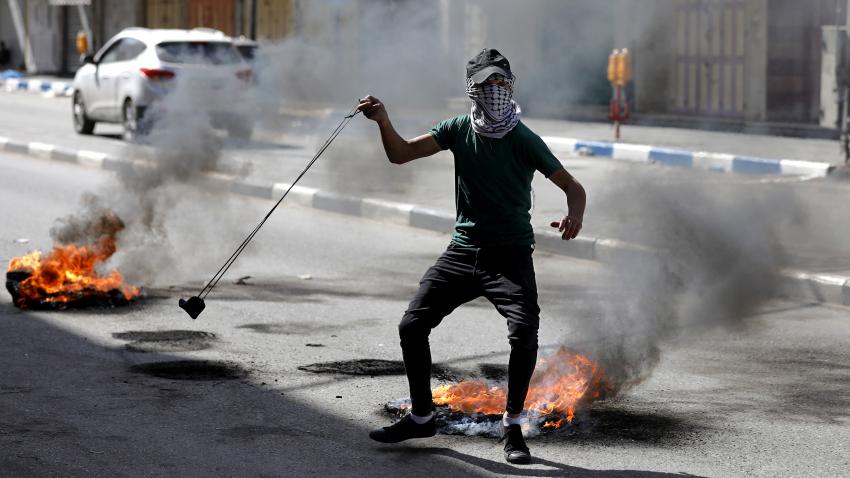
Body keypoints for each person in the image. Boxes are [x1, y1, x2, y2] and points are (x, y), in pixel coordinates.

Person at [359, 48, 586, 465]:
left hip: (510, 256)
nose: (495, 90)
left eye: (501, 82)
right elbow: (402, 154)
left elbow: (574, 187)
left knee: (524, 333)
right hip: (462, 253)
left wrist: (575, 215)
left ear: (511, 87)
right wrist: (384, 121)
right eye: (487, 83)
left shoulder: (523, 139)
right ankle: (422, 416)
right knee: (412, 325)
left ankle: (513, 426)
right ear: (472, 89)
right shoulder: (458, 129)